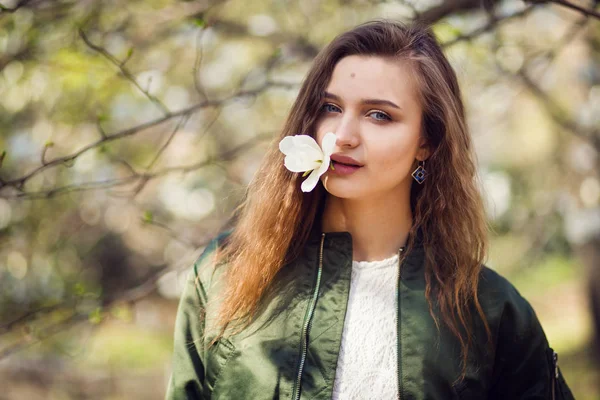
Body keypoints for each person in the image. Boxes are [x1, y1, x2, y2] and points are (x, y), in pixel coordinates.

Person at [166, 20, 575, 400]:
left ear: (426, 142)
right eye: (330, 107)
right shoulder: (224, 273)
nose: (343, 136)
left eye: (379, 115)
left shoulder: (488, 310)